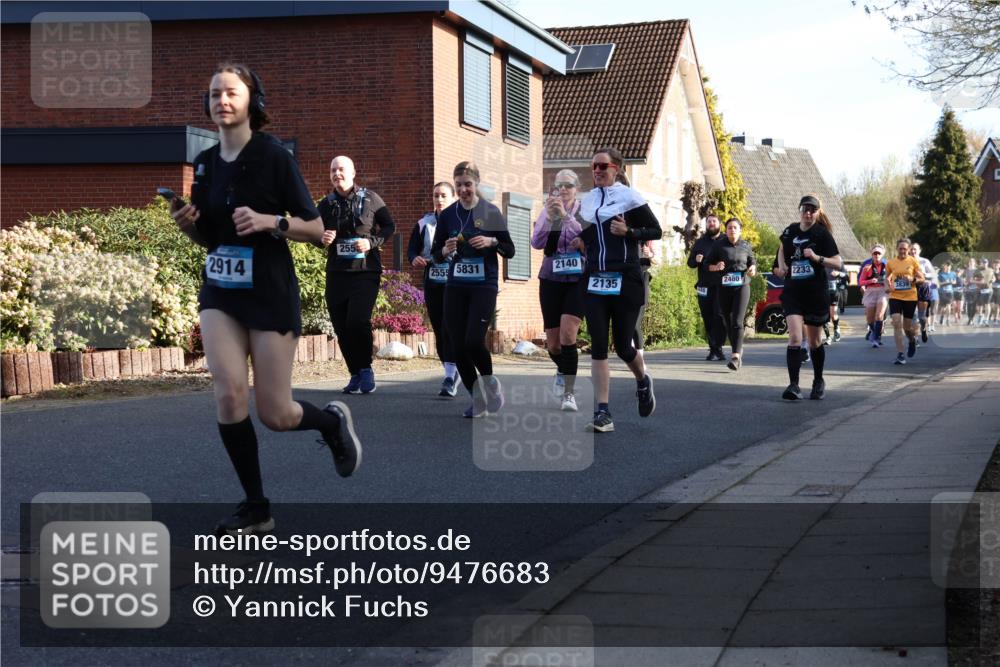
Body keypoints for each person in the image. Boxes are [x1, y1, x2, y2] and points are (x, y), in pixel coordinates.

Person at [170, 63, 360, 535]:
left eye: (230, 93)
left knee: (275, 413)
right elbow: (210, 236)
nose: (221, 101)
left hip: (270, 289)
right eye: (214, 94)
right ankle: (257, 507)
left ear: (251, 100)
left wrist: (270, 221)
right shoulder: (206, 163)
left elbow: (316, 229)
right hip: (221, 288)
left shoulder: (274, 157)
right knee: (229, 391)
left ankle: (332, 424)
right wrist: (188, 223)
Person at [570, 147, 661, 431]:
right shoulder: (588, 200)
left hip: (626, 279)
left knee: (623, 346)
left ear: (617, 168)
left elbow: (656, 231)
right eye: (593, 166)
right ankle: (603, 412)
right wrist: (579, 239)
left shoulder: (629, 197)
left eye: (602, 166)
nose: (597, 171)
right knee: (598, 345)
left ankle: (643, 380)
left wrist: (630, 233)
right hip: (595, 279)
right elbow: (589, 233)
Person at [431, 161, 514, 418]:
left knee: (472, 341)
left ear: (477, 184)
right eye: (459, 185)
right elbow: (435, 254)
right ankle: (476, 397)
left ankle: (490, 383)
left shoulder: (490, 212)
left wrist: (492, 241)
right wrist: (446, 250)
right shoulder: (447, 215)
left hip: (484, 285)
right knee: (456, 345)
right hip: (455, 285)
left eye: (468, 184)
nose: (463, 189)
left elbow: (509, 249)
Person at [319, 156, 395, 395]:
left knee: (357, 321)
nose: (336, 174)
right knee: (341, 327)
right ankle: (354, 373)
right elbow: (312, 231)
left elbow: (389, 226)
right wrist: (320, 239)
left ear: (353, 173)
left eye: (341, 169)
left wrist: (371, 242)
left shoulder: (371, 199)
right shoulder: (326, 204)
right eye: (333, 170)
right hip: (337, 273)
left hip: (365, 273)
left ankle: (366, 369)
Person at [773, 194, 842, 400]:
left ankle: (818, 379)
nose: (808, 213)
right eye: (805, 209)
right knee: (795, 337)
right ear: (800, 210)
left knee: (814, 341)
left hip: (815, 293)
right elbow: (781, 248)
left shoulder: (822, 234)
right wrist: (782, 266)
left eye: (813, 210)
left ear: (817, 213)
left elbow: (838, 263)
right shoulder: (790, 230)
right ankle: (794, 385)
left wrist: (817, 258)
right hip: (793, 292)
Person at [530, 169, 585, 412]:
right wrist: (551, 218)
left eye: (568, 185)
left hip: (577, 279)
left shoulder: (585, 211)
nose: (563, 190)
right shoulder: (547, 211)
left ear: (577, 188)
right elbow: (537, 242)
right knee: (553, 344)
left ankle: (569, 394)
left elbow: (585, 239)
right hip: (551, 278)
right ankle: (562, 369)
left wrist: (565, 217)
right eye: (559, 185)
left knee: (568, 334)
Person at [408, 181, 459, 397]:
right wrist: (415, 259)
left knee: (452, 326)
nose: (439, 199)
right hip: (433, 280)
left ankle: (454, 372)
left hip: (456, 280)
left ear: (453, 198)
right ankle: (449, 373)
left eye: (443, 195)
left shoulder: (461, 221)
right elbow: (412, 250)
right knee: (439, 327)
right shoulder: (424, 223)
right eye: (436, 195)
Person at [704, 217, 756, 371]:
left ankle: (735, 356)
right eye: (729, 228)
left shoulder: (745, 245)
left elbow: (752, 261)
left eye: (735, 228)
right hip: (724, 287)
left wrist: (753, 268)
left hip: (742, 286)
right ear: (725, 230)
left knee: (737, 322)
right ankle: (738, 349)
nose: (732, 230)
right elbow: (707, 265)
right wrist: (716, 267)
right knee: (727, 321)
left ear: (740, 230)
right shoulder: (718, 245)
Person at [687, 214, 726, 361]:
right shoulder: (700, 243)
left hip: (721, 285)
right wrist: (695, 260)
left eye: (714, 221)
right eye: (709, 221)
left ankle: (719, 347)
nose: (711, 224)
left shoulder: (724, 240)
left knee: (719, 316)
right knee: (708, 317)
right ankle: (713, 348)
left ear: (719, 224)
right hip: (703, 285)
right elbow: (690, 263)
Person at [885, 238, 924, 365]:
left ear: (908, 250)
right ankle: (900, 354)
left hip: (910, 297)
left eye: (905, 249)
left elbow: (922, 279)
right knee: (896, 322)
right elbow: (886, 278)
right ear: (897, 249)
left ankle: (912, 340)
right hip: (895, 296)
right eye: (900, 248)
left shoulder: (913, 261)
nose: (902, 251)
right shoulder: (891, 262)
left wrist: (912, 279)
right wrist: (887, 286)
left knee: (907, 327)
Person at [859, 245, 889, 347]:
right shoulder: (867, 268)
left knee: (879, 315)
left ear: (882, 255)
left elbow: (893, 278)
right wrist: (870, 281)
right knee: (870, 318)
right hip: (870, 291)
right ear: (871, 255)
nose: (876, 255)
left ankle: (877, 337)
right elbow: (860, 282)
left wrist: (890, 285)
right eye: (874, 253)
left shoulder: (888, 266)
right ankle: (873, 331)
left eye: (878, 253)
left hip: (883, 291)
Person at [909, 243, 936, 341]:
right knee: (913, 315)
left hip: (922, 288)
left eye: (915, 249)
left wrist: (924, 274)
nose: (913, 251)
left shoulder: (924, 261)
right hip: (910, 289)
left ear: (919, 250)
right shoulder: (905, 261)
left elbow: (933, 274)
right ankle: (915, 338)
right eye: (911, 249)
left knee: (921, 316)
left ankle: (923, 329)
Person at [823, 265, 846, 344]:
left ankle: (836, 329)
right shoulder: (818, 260)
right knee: (823, 314)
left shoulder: (837, 261)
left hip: (834, 291)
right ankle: (828, 337)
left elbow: (845, 274)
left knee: (833, 314)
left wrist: (838, 273)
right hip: (822, 290)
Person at [936, 259, 957, 326]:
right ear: (944, 266)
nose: (947, 267)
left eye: (949, 266)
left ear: (950, 266)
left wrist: (952, 282)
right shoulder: (941, 274)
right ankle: (942, 316)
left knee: (948, 305)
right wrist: (947, 282)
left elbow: (955, 282)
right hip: (942, 292)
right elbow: (939, 284)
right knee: (943, 308)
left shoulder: (953, 273)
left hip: (950, 292)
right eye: (946, 266)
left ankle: (948, 320)